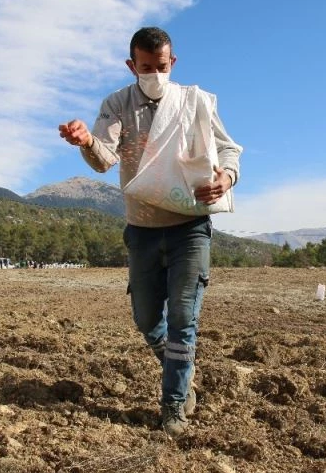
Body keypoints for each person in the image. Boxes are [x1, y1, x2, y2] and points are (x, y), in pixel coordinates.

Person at [59, 27, 241, 438]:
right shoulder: (118, 104)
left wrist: (226, 177)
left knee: (182, 317)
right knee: (146, 319)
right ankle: (175, 362)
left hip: (190, 227)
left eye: (161, 66)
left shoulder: (193, 101)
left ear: (172, 63)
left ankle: (173, 404)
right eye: (146, 67)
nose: (155, 74)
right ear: (132, 66)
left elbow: (229, 149)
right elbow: (104, 160)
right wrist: (86, 140)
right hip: (142, 228)